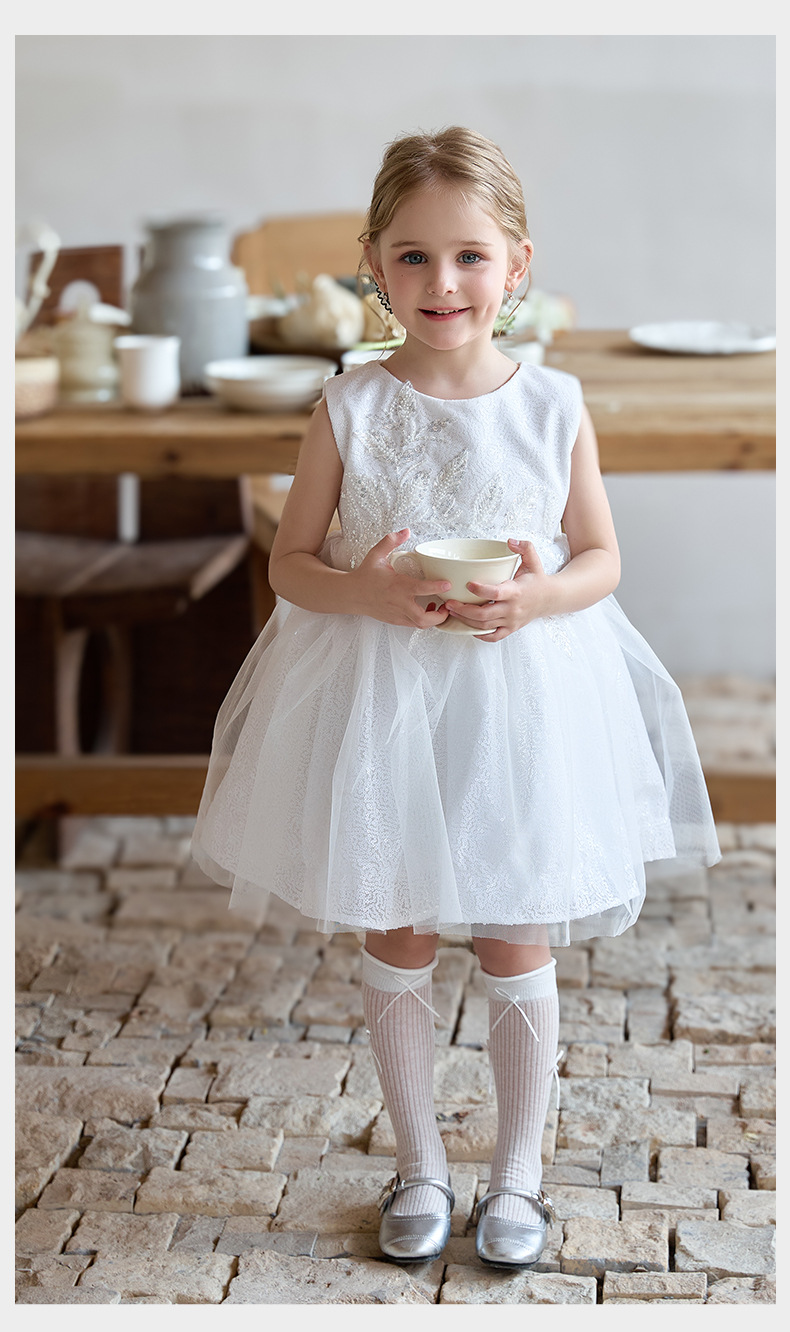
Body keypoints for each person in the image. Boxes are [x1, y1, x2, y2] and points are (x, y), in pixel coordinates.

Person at [191, 126, 720, 1269]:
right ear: (372, 267)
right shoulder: (348, 407)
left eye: (470, 256)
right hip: (384, 702)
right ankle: (420, 1163)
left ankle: (517, 1172)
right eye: (414, 257)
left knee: (516, 931)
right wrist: (366, 591)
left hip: (520, 703)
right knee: (397, 920)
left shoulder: (553, 404)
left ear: (516, 266)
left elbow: (599, 558)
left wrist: (537, 599)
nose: (443, 282)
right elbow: (288, 564)